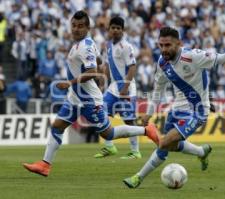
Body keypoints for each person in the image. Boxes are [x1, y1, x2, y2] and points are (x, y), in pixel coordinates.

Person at [22, 11, 159, 177]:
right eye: (74, 25)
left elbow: (92, 71)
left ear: (88, 28)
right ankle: (45, 164)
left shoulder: (85, 46)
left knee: (107, 133)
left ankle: (146, 130)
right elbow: (99, 62)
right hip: (75, 97)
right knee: (57, 126)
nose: (76, 29)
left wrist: (70, 83)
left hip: (88, 99)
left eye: (81, 26)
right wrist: (98, 76)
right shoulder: (85, 44)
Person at [123, 27, 225, 188]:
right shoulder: (162, 63)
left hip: (197, 111)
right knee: (167, 146)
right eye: (161, 45)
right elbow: (158, 90)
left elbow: (224, 59)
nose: (164, 49)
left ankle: (138, 178)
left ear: (178, 43)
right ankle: (201, 152)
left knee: (164, 143)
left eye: (168, 45)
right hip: (176, 109)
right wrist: (149, 114)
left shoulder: (193, 56)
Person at [94, 16, 142, 159]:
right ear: (109, 29)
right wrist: (103, 82)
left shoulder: (126, 46)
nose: (115, 30)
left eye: (118, 28)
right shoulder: (108, 46)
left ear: (123, 30)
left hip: (126, 87)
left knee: (128, 120)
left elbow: (133, 67)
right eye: (113, 28)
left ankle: (135, 151)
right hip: (113, 87)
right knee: (101, 113)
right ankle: (109, 147)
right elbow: (108, 65)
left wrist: (125, 87)